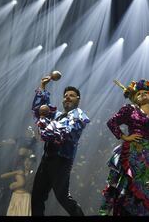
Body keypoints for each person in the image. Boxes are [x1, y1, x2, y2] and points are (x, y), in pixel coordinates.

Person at [99, 79, 149, 216]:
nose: (142, 94)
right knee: (132, 190)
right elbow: (112, 122)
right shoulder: (130, 110)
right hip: (134, 156)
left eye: (145, 92)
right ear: (135, 97)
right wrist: (124, 137)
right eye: (139, 93)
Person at [31, 74, 90, 216]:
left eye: (72, 95)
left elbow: (58, 132)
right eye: (65, 95)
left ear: (78, 99)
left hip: (62, 161)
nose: (68, 97)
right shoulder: (57, 114)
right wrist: (43, 87)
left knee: (63, 197)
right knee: (37, 197)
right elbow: (40, 110)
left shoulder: (78, 116)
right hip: (47, 159)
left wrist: (44, 120)